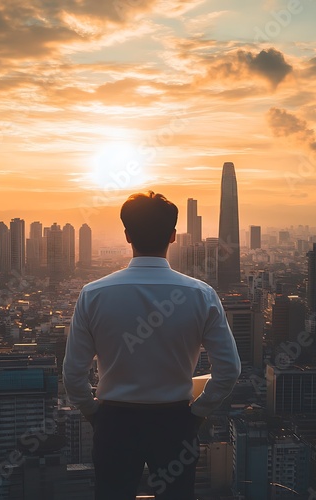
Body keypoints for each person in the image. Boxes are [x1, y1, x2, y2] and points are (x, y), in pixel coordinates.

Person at [63, 191, 241, 500]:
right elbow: (229, 370)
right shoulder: (201, 295)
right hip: (175, 423)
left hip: (115, 423)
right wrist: (197, 413)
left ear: (127, 235)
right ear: (173, 236)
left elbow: (73, 374)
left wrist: (94, 413)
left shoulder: (94, 294)